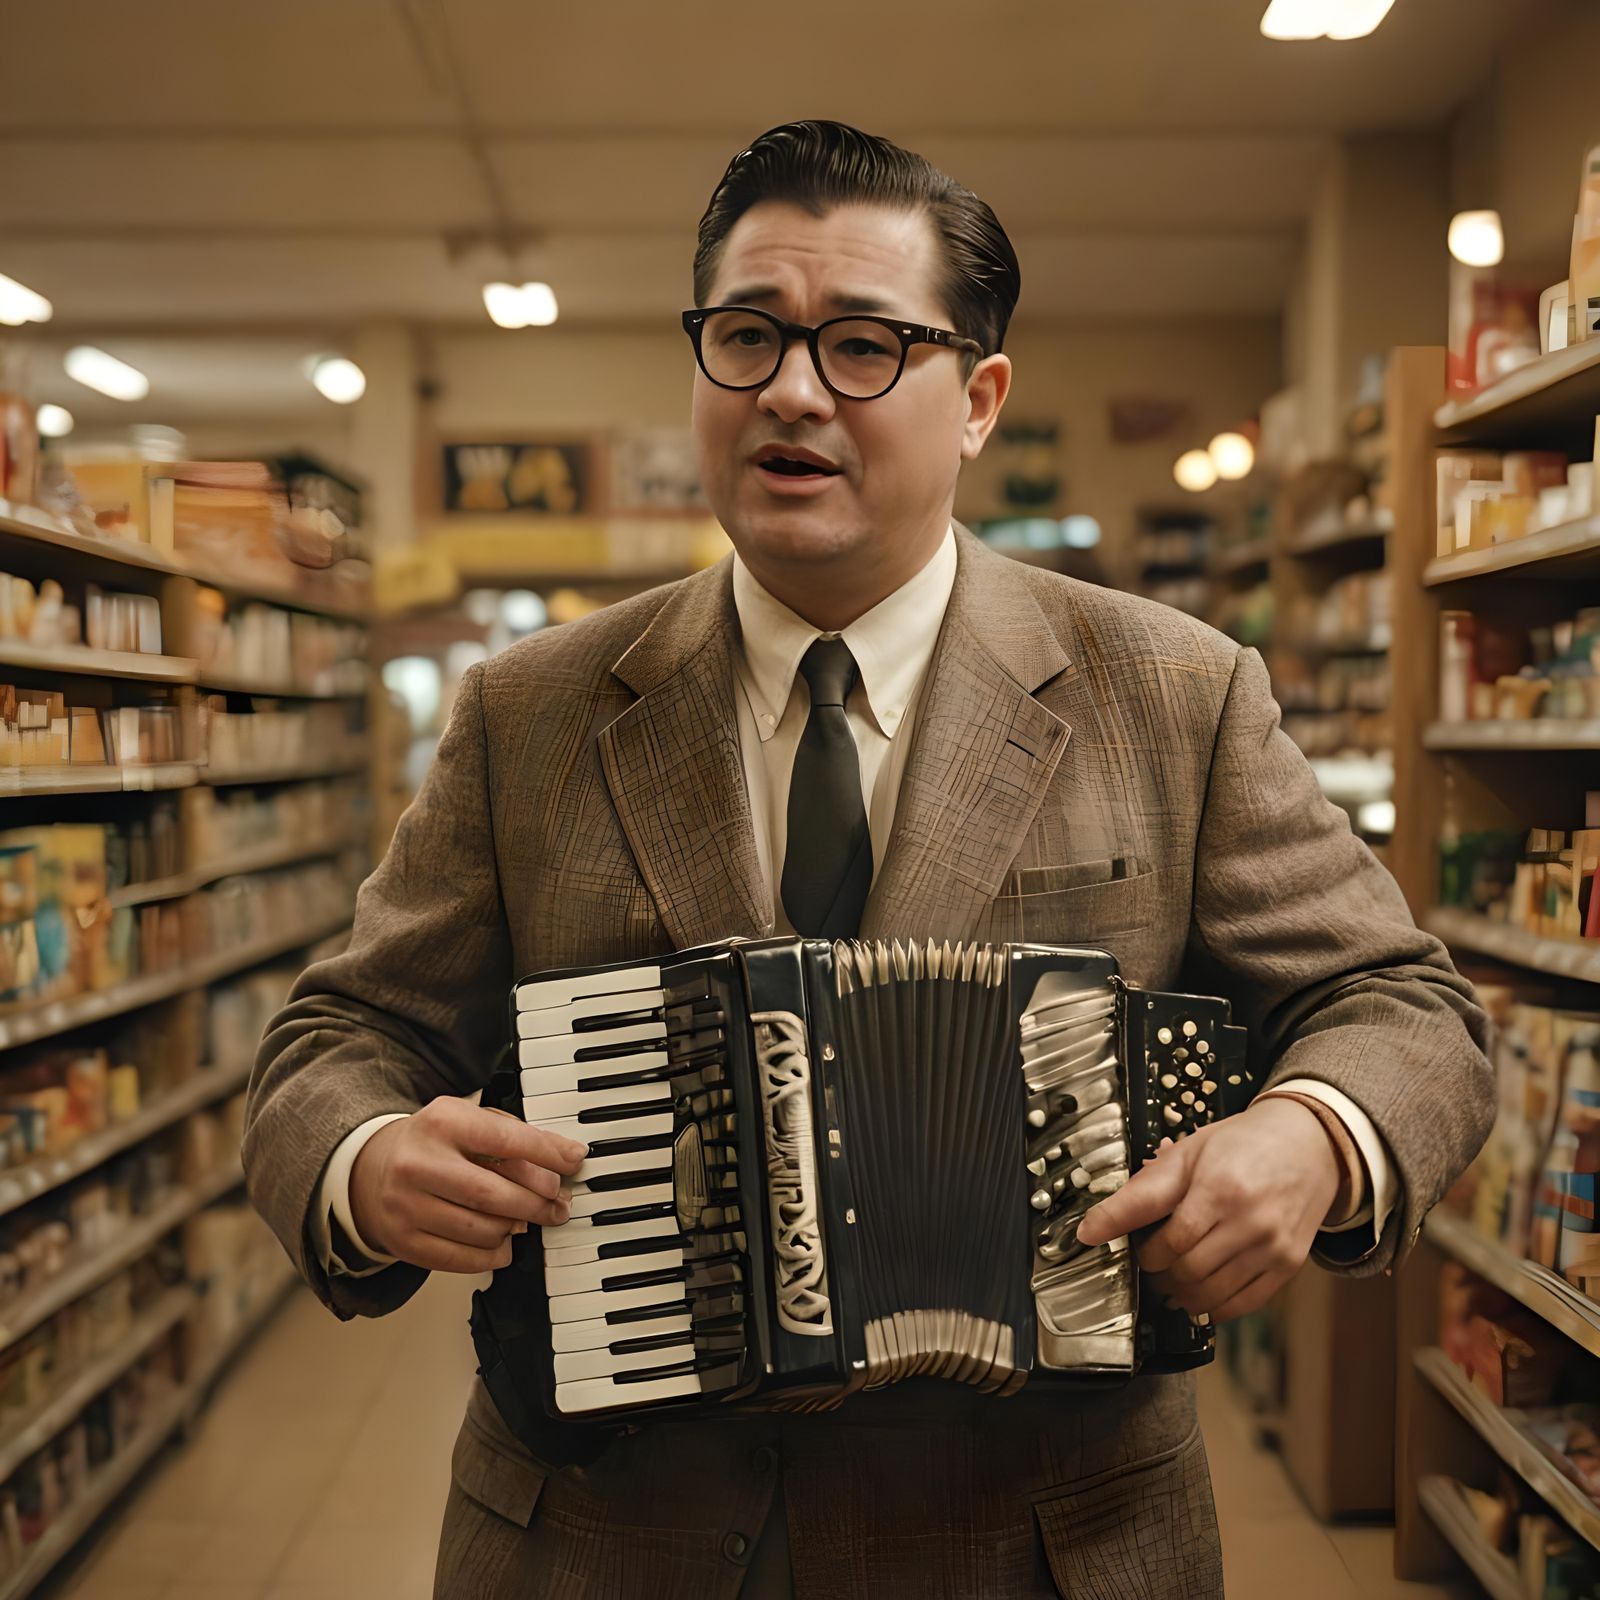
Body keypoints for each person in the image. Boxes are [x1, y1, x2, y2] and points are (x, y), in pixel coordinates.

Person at [244, 120, 1494, 1599]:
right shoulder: (534, 712)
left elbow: (1408, 1011)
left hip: (1036, 1543)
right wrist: (365, 1160)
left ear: (979, 401)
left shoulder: (1172, 693)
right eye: (747, 336)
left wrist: (1313, 1137)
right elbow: (340, 1038)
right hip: (604, 1536)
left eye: (862, 346)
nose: (790, 390)